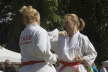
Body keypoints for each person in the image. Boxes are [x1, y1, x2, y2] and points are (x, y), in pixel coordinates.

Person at [19, 6, 57, 72]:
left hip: (25, 68)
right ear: (37, 18)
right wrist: (53, 58)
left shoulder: (23, 33)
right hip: (40, 68)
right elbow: (41, 49)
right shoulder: (40, 31)